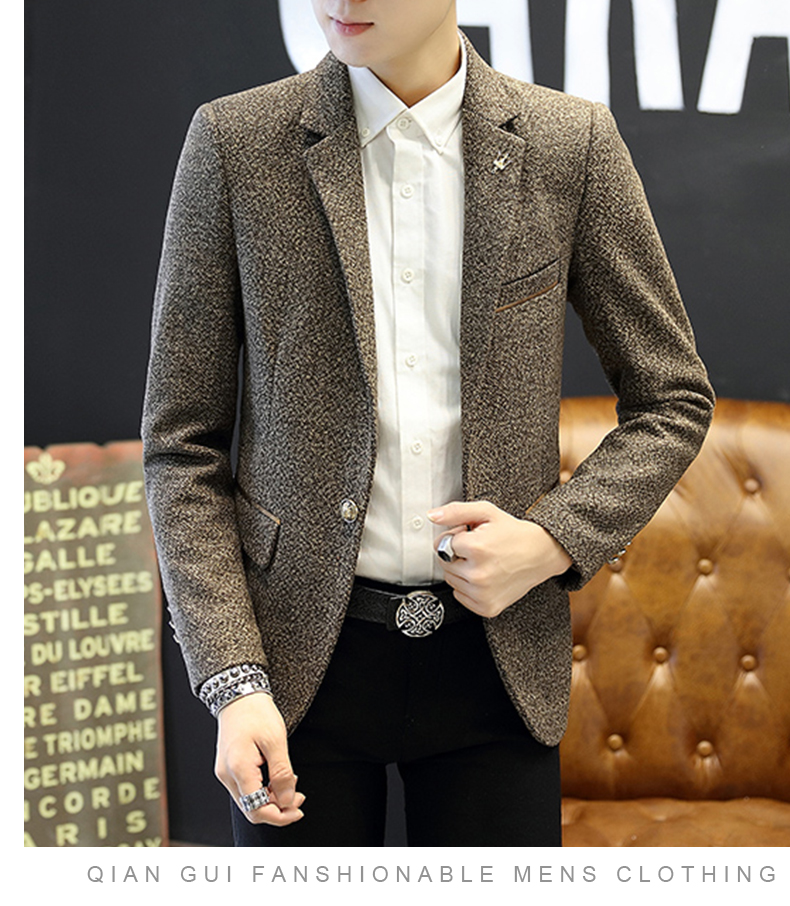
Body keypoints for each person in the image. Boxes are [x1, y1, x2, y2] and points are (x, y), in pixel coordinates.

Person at [142, 0, 714, 846]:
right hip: (292, 671)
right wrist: (232, 678)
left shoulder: (570, 143)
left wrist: (553, 540)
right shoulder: (237, 143)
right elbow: (180, 445)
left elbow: (673, 398)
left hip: (498, 663)